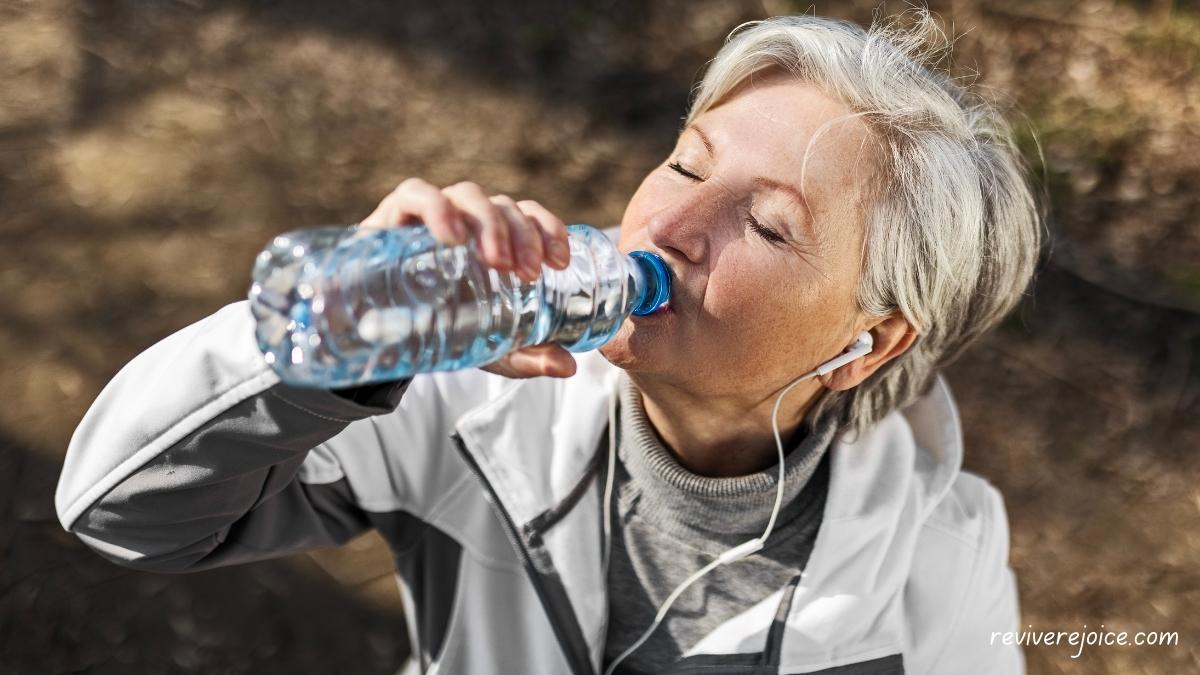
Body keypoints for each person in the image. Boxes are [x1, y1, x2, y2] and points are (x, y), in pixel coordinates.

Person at [56, 9, 1040, 675]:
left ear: (868, 344)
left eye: (770, 224)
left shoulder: (945, 557)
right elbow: (118, 514)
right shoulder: (465, 402)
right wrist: (330, 348)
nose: (670, 228)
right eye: (685, 164)